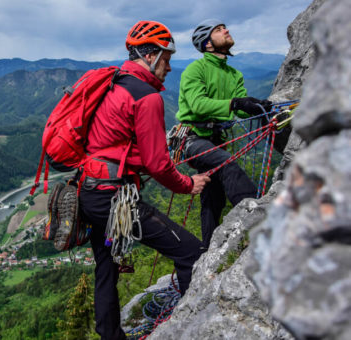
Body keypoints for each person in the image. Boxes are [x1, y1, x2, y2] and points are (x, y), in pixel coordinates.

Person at [78, 20, 210, 340]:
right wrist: (188, 184)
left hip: (89, 192)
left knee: (106, 269)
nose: (168, 66)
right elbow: (158, 163)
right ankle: (192, 330)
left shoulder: (114, 84)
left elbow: (113, 145)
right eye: (166, 58)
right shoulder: (147, 96)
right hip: (114, 200)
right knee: (192, 253)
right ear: (150, 56)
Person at [176, 19, 271, 250]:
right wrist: (235, 102)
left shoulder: (234, 74)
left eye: (224, 27)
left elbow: (238, 106)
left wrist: (256, 106)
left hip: (216, 141)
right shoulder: (195, 70)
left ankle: (207, 250)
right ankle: (257, 217)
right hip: (192, 140)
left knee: (213, 197)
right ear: (207, 43)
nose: (226, 30)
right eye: (218, 30)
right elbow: (198, 105)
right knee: (227, 163)